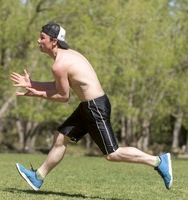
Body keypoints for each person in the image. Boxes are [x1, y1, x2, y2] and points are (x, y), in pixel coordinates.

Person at [10, 23, 173, 191]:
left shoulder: (59, 65)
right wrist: (32, 84)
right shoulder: (68, 56)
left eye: (42, 38)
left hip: (94, 107)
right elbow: (58, 86)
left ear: (53, 42)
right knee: (60, 136)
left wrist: (36, 93)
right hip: (91, 105)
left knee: (112, 154)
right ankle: (38, 177)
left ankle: (158, 162)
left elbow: (63, 97)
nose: (38, 41)